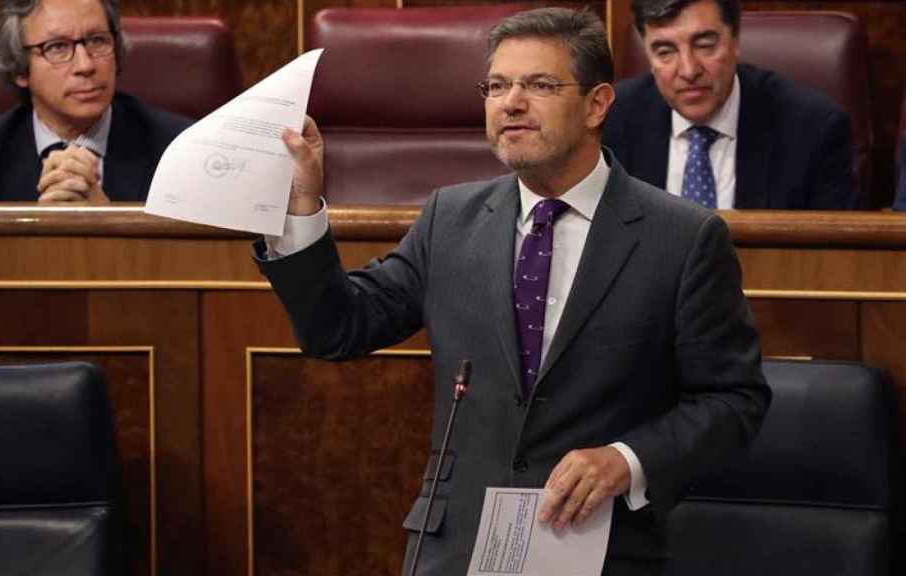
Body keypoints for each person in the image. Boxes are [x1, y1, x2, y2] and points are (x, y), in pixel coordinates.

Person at [256, 8, 770, 576]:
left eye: (540, 85)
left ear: (597, 104)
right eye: (497, 86)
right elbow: (337, 329)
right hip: (458, 547)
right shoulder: (450, 218)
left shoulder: (683, 237)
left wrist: (626, 460)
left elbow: (733, 401)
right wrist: (303, 205)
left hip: (601, 546)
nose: (511, 102)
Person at [603, 0, 859, 210]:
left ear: (735, 40)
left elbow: (836, 260)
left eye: (705, 45)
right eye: (665, 51)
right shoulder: (610, 120)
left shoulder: (812, 129)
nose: (689, 70)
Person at [0, 0, 190, 203]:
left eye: (97, 40)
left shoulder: (179, 151)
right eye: (57, 47)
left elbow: (192, 261)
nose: (85, 65)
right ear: (19, 69)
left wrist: (109, 221)